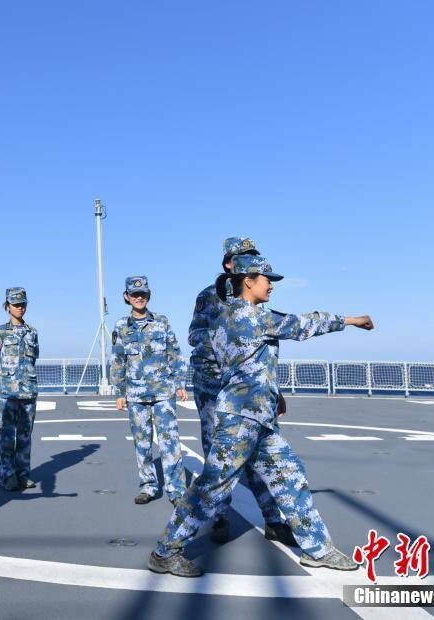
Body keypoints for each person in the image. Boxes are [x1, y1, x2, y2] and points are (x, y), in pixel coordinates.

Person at [149, 255, 374, 577]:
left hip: (260, 417)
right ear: (248, 281)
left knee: (291, 476)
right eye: (267, 279)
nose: (271, 286)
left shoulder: (229, 317)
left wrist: (270, 394)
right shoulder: (249, 316)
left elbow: (245, 365)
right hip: (241, 418)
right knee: (214, 487)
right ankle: (165, 551)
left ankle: (318, 549)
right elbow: (303, 324)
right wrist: (352, 320)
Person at [188, 237, 295, 546]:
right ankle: (220, 516)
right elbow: (195, 334)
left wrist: (276, 390)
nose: (248, 260)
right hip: (212, 384)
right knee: (216, 452)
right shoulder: (209, 297)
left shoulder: (255, 300)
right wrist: (223, 343)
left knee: (260, 450)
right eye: (242, 257)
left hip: (249, 387)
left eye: (252, 255)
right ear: (228, 264)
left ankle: (273, 519)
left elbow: (264, 342)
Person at [110, 276, 188, 505]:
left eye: (142, 293)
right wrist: (119, 392)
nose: (139, 297)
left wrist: (180, 383)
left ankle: (176, 490)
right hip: (136, 394)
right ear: (126, 297)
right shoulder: (121, 326)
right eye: (134, 294)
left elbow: (174, 352)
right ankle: (148, 486)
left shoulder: (162, 322)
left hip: (163, 392)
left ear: (149, 294)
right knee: (142, 443)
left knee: (170, 442)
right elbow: (118, 359)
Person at [0, 287, 40, 491]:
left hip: (28, 390)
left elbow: (34, 358)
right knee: (6, 436)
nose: (19, 307)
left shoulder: (33, 333)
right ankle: (7, 475)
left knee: (25, 436)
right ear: (7, 306)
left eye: (22, 304)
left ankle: (23, 474)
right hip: (6, 392)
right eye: (15, 304)